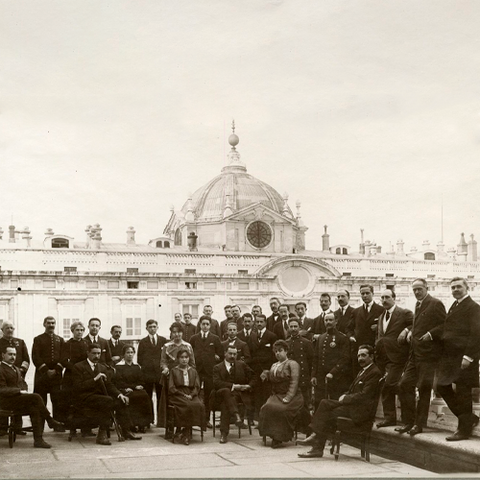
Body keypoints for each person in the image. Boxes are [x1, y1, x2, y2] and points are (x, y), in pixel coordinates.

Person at [297, 344, 382, 458]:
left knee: (326, 411)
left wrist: (346, 398)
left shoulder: (374, 372)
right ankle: (316, 440)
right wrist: (345, 395)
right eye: (358, 356)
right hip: (353, 406)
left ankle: (316, 442)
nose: (360, 358)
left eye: (363, 355)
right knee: (324, 404)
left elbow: (365, 396)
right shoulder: (363, 371)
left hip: (360, 412)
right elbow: (354, 390)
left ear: (371, 357)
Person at [431, 277, 480, 441]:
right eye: (453, 288)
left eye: (459, 287)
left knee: (463, 392)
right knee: (442, 385)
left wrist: (469, 356)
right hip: (450, 357)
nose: (456, 290)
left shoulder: (473, 307)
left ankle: (463, 430)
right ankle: (469, 418)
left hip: (464, 357)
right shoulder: (454, 306)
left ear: (467, 288)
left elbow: (477, 333)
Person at [397, 278, 446, 436]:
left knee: (424, 389)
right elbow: (419, 323)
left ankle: (419, 424)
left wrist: (431, 334)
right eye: (414, 290)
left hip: (428, 355)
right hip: (415, 354)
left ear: (427, 288)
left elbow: (444, 325)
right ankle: (408, 421)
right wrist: (410, 331)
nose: (417, 292)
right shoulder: (418, 305)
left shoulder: (435, 303)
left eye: (419, 289)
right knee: (404, 384)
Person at [0, 346, 64, 448]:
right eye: (10, 354)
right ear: (3, 355)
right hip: (5, 402)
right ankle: (49, 420)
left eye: (14, 354)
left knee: (35, 408)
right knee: (36, 397)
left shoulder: (15, 368)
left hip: (16, 400)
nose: (13, 357)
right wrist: (19, 391)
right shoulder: (1, 369)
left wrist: (23, 390)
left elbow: (23, 383)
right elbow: (2, 389)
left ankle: (38, 440)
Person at [72, 343, 129, 445]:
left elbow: (109, 385)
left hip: (99, 397)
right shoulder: (78, 366)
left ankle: (126, 430)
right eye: (94, 353)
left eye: (99, 353)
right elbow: (77, 387)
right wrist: (95, 379)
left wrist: (119, 394)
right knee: (107, 400)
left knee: (120, 399)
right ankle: (102, 435)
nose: (97, 356)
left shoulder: (102, 367)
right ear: (88, 353)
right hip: (84, 397)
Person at [375, 289, 413, 428]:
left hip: (398, 357)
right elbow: (381, 335)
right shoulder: (381, 316)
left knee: (392, 385)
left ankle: (407, 420)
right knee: (385, 386)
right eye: (382, 298)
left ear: (394, 298)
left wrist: (406, 330)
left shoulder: (404, 313)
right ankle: (391, 418)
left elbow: (416, 323)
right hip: (382, 357)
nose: (384, 300)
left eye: (387, 297)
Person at [259, 340, 304, 448]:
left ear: (286, 351)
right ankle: (270, 434)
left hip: (293, 396)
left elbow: (294, 382)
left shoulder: (292, 364)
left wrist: (289, 397)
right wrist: (266, 374)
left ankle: (279, 438)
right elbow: (273, 378)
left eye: (280, 350)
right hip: (277, 395)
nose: (278, 353)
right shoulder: (274, 365)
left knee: (281, 410)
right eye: (276, 351)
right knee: (266, 407)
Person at [158, 322, 195, 438]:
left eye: (179, 332)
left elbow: (192, 364)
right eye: (174, 332)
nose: (177, 334)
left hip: (184, 378)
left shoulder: (187, 346)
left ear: (182, 333)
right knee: (170, 403)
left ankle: (183, 427)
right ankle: (170, 428)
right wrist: (165, 368)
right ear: (171, 333)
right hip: (170, 377)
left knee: (185, 401)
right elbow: (163, 361)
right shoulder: (167, 346)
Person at [212, 345, 255, 444]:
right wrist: (234, 386)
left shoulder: (242, 365)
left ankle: (224, 434)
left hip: (237, 396)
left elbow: (253, 376)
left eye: (235, 354)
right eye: (230, 353)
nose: (232, 356)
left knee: (225, 404)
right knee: (226, 392)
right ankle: (236, 415)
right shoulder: (217, 367)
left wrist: (249, 386)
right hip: (219, 395)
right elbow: (216, 383)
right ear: (225, 353)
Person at [189, 316, 223, 428]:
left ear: (210, 325)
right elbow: (189, 353)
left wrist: (216, 357)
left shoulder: (215, 338)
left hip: (209, 371)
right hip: (197, 370)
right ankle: (195, 420)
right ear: (200, 325)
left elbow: (221, 354)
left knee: (208, 395)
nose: (205, 326)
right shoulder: (194, 338)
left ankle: (206, 419)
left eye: (207, 324)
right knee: (195, 393)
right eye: (203, 324)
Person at [32, 316, 65, 427]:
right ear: (44, 324)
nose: (51, 325)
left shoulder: (60, 339)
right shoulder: (38, 339)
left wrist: (56, 370)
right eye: (49, 323)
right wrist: (46, 370)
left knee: (58, 400)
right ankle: (40, 425)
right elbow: (35, 356)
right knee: (41, 400)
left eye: (53, 323)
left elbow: (63, 356)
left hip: (56, 375)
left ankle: (58, 424)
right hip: (42, 375)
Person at [168, 348, 205, 445]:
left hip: (191, 393)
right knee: (187, 405)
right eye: (182, 357)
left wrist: (191, 395)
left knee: (199, 405)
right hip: (177, 394)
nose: (184, 359)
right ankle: (186, 432)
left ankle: (186, 430)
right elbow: (171, 387)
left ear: (189, 358)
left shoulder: (193, 371)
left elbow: (197, 386)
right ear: (178, 359)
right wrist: (183, 395)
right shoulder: (174, 371)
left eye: (186, 357)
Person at [0, 322, 30, 436]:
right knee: (4, 399)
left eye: (12, 328)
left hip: (17, 375)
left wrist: (21, 371)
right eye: (7, 328)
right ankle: (3, 428)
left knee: (19, 399)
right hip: (3, 375)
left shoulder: (20, 342)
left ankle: (18, 427)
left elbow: (26, 359)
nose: (10, 330)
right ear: (2, 330)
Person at [114, 345, 150, 438]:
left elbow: (141, 380)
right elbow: (119, 381)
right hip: (125, 389)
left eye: (131, 352)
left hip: (136, 389)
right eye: (127, 352)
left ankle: (142, 424)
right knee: (133, 397)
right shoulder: (119, 367)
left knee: (144, 395)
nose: (130, 354)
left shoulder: (136, 366)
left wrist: (140, 386)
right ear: (123, 354)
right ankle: (131, 425)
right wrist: (130, 387)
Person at [60, 321, 88, 437]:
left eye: (81, 330)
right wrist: (75, 368)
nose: (79, 332)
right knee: (71, 402)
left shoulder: (86, 343)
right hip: (71, 375)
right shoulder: (68, 344)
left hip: (84, 375)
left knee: (84, 401)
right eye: (77, 330)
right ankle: (72, 429)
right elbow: (63, 360)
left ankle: (85, 428)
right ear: (72, 331)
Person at [137, 319, 167, 427]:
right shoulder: (143, 342)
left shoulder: (163, 340)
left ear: (157, 327)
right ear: (146, 328)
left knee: (160, 397)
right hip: (147, 374)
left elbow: (166, 356)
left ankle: (160, 421)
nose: (152, 329)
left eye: (154, 326)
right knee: (147, 397)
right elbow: (140, 359)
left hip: (160, 373)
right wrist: (148, 367)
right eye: (150, 327)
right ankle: (148, 421)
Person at [285, 317, 314, 425]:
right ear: (288, 328)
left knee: (305, 403)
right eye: (291, 326)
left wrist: (311, 376)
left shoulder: (306, 342)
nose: (293, 329)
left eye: (295, 326)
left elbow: (311, 361)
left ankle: (306, 427)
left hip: (303, 378)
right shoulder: (286, 343)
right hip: (290, 378)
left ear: (299, 327)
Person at [250, 314, 278, 419]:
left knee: (266, 393)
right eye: (257, 322)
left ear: (265, 323)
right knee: (256, 393)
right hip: (255, 370)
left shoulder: (272, 336)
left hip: (266, 370)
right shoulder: (252, 336)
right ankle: (257, 417)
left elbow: (274, 355)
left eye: (261, 322)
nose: (259, 324)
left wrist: (267, 370)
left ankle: (267, 417)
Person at [349, 284, 385, 354]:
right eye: (362, 294)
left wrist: (378, 327)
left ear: (372, 294)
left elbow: (387, 326)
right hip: (359, 348)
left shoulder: (381, 310)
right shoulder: (356, 312)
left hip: (375, 347)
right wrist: (351, 336)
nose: (365, 296)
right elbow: (349, 328)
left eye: (367, 293)